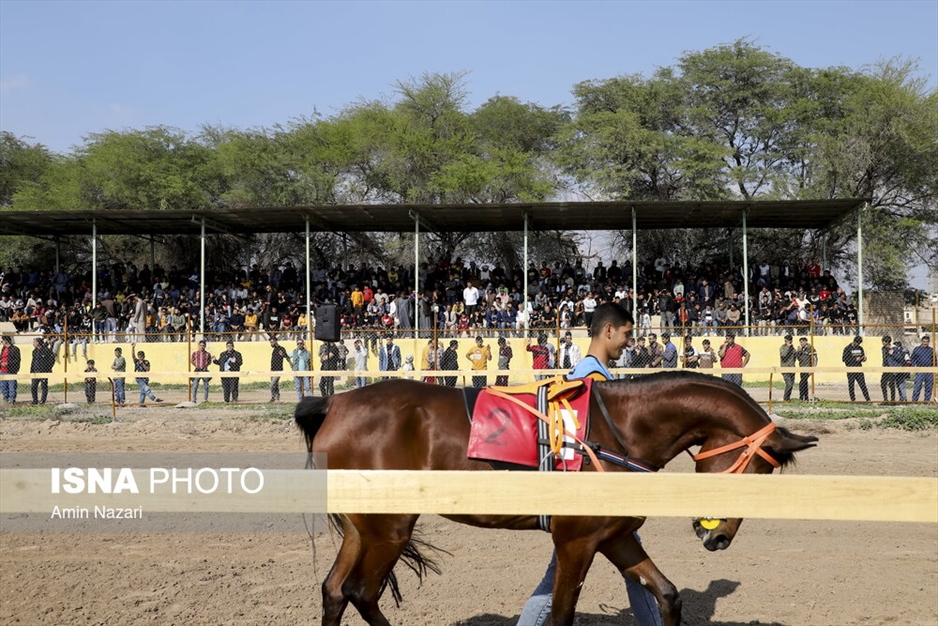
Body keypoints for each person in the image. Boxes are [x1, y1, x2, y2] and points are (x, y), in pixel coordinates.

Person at [519, 302, 661, 626]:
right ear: (608, 330)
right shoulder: (592, 378)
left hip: (590, 496)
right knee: (559, 579)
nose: (629, 342)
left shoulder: (591, 373)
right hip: (591, 498)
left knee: (561, 578)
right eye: (626, 334)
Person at [841, 336, 871, 402]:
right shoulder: (847, 348)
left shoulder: (860, 348)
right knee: (851, 385)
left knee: (863, 385)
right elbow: (844, 359)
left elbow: (862, 356)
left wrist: (863, 358)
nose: (858, 344)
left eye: (859, 343)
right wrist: (854, 359)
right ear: (854, 341)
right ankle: (853, 400)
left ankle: (868, 399)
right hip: (850, 369)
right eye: (857, 343)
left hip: (859, 369)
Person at [910, 335, 935, 402]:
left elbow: (934, 360)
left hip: (929, 371)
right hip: (920, 370)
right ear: (921, 341)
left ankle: (926, 401)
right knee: (917, 386)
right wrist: (913, 367)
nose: (925, 343)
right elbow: (912, 359)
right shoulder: (917, 349)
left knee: (929, 387)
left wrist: (934, 370)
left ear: (928, 342)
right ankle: (914, 401)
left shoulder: (931, 350)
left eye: (927, 342)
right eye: (924, 341)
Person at [30, 337, 54, 405]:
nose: (33, 343)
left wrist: (47, 369)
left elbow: (52, 360)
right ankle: (35, 400)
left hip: (44, 372)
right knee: (33, 386)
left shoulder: (46, 350)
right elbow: (33, 361)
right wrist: (32, 370)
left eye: (34, 342)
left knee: (44, 386)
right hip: (35, 372)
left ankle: (43, 401)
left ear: (38, 343)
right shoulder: (34, 351)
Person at [267, 336, 290, 402]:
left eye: (272, 342)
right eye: (270, 342)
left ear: (275, 341)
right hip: (272, 369)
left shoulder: (281, 348)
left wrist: (291, 364)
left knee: (272, 385)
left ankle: (275, 396)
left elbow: (286, 357)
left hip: (278, 370)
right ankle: (275, 397)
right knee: (275, 385)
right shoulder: (274, 349)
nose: (271, 344)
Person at [0, 335, 21, 404]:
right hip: (2, 370)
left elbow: (17, 360)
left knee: (12, 386)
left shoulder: (15, 349)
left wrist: (7, 363)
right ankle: (6, 399)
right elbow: (1, 357)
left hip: (11, 370)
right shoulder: (3, 348)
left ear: (6, 341)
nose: (1, 342)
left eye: (2, 341)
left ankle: (11, 400)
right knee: (3, 386)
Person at [796, 336, 817, 401]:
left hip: (808, 368)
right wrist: (798, 352)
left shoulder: (810, 348)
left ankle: (801, 397)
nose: (801, 344)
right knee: (804, 383)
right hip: (802, 368)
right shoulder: (801, 349)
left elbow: (814, 359)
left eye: (802, 342)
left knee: (802, 383)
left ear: (805, 342)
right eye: (800, 342)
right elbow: (798, 358)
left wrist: (812, 368)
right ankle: (806, 397)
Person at [880, 335, 898, 404]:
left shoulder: (894, 348)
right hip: (886, 368)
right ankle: (885, 400)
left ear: (886, 342)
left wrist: (892, 353)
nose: (882, 343)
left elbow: (899, 357)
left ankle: (893, 400)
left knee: (891, 384)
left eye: (883, 341)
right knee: (883, 383)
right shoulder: (883, 349)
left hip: (892, 368)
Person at [779, 335, 796, 401]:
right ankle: (785, 398)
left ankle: (788, 398)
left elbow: (795, 358)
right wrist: (788, 347)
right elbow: (783, 355)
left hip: (792, 368)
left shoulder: (793, 349)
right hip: (785, 368)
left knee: (791, 385)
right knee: (789, 384)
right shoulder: (783, 347)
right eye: (786, 340)